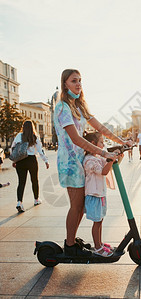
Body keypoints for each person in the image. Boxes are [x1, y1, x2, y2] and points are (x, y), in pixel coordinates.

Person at [53, 68, 132, 257]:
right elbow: (76, 139)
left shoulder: (78, 107)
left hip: (81, 160)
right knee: (76, 205)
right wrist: (103, 153)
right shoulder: (62, 107)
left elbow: (100, 127)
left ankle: (71, 242)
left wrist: (122, 141)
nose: (78, 84)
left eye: (80, 80)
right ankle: (70, 246)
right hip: (70, 164)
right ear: (65, 84)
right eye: (74, 81)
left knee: (80, 205)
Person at [83, 132, 123, 257]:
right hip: (93, 195)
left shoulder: (97, 158)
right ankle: (97, 248)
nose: (103, 144)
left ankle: (99, 243)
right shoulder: (89, 160)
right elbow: (104, 171)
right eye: (101, 142)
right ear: (93, 144)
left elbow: (108, 166)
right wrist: (111, 159)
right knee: (97, 222)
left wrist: (117, 156)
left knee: (100, 220)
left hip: (100, 194)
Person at [11, 120, 49, 213]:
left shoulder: (19, 136)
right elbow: (40, 151)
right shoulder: (35, 137)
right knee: (34, 180)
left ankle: (19, 202)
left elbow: (13, 147)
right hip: (31, 160)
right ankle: (36, 200)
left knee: (21, 182)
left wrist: (15, 160)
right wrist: (46, 161)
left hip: (20, 161)